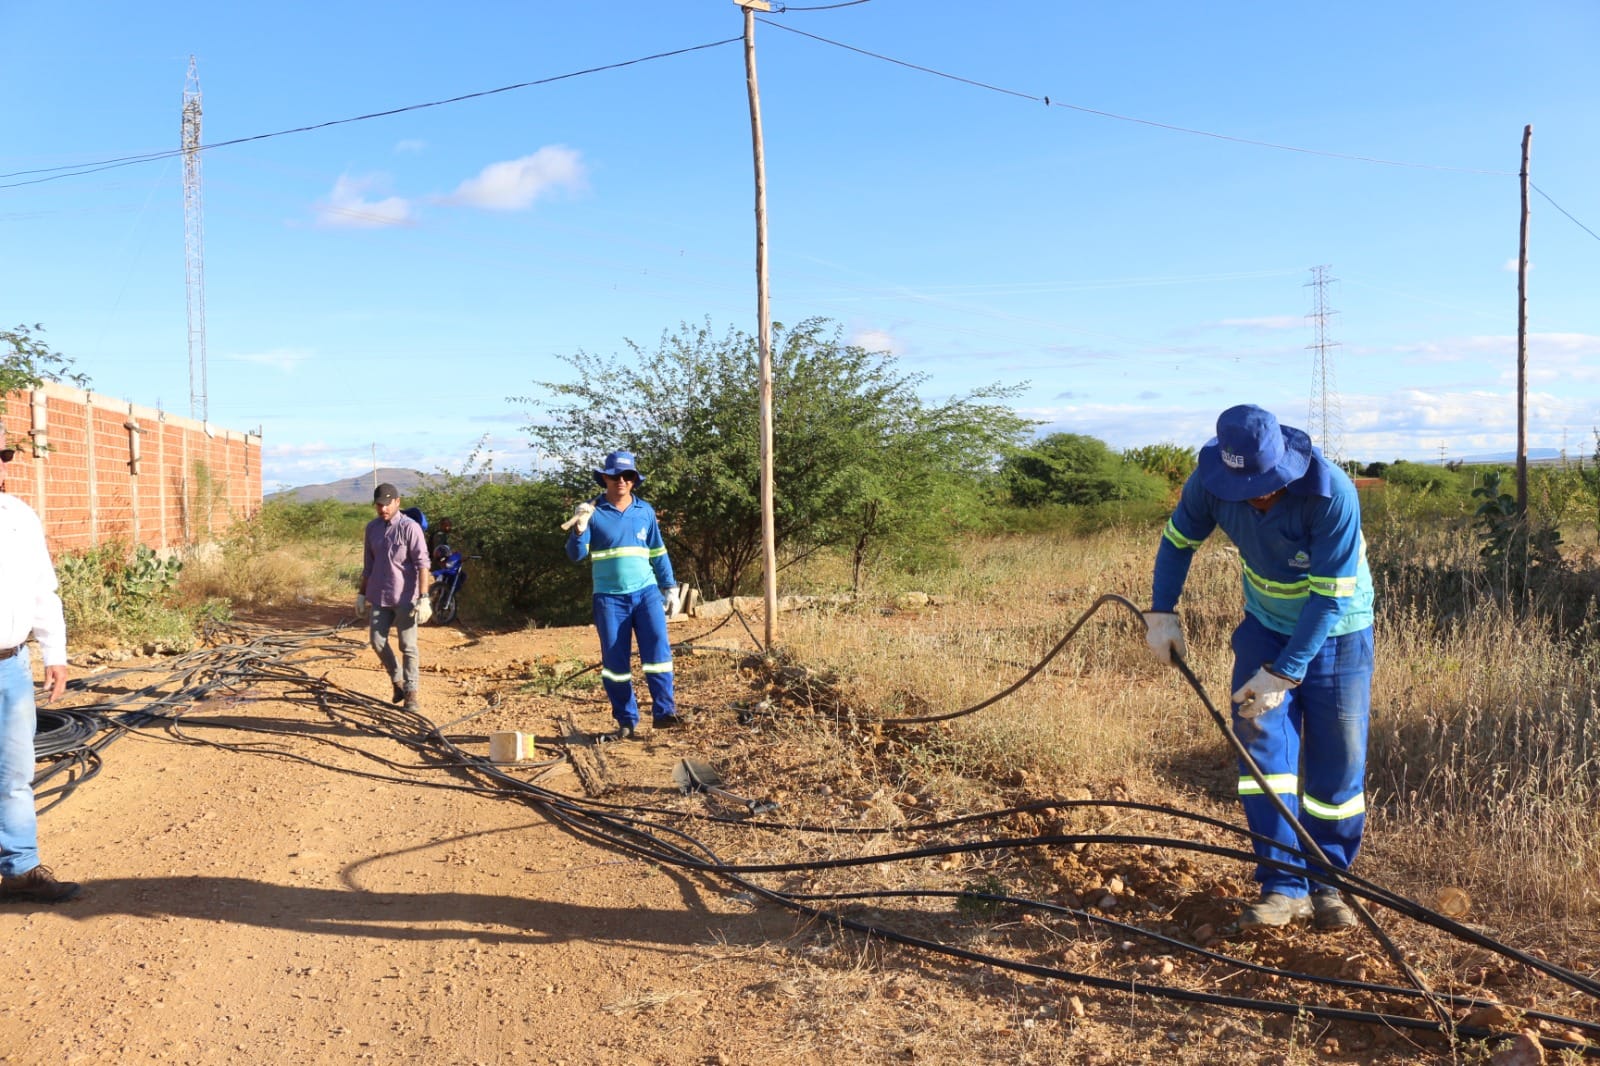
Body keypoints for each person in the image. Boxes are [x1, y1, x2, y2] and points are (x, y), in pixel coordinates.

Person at [1143, 404, 1374, 931]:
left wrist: (1285, 672)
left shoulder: (1332, 492)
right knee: (1262, 757)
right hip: (1264, 628)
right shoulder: (1209, 485)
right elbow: (1178, 543)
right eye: (1247, 485)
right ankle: (1283, 886)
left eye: (1269, 483)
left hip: (1338, 634)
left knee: (1338, 763)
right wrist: (1162, 612)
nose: (1260, 496)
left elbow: (1328, 600)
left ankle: (1329, 885)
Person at [0, 443, 79, 902]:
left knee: (13, 774)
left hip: (10, 665)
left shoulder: (18, 515)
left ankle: (21, 869)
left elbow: (42, 589)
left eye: (4, 454)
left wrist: (56, 653)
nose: (2, 464)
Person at [565, 450, 682, 741]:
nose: (621, 481)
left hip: (646, 595)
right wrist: (579, 529)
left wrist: (670, 588)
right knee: (615, 664)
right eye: (615, 476)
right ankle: (626, 720)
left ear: (633, 481)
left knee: (658, 654)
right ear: (604, 478)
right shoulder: (593, 512)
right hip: (609, 599)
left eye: (627, 476)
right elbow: (576, 555)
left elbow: (658, 552)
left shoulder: (645, 512)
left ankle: (664, 713)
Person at [357, 483, 432, 710]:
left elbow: (422, 564)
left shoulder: (410, 528)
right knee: (377, 642)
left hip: (405, 598)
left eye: (387, 504)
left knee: (408, 646)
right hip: (380, 595)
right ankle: (397, 679)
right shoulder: (372, 528)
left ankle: (411, 692)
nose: (383, 509)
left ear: (397, 502)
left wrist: (424, 597)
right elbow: (368, 565)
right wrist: (361, 594)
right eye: (379, 505)